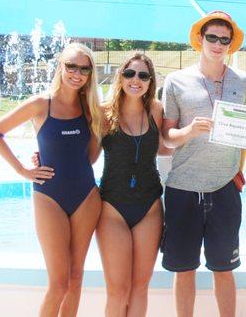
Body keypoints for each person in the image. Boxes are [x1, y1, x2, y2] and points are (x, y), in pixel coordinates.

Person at [0, 43, 102, 316]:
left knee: (75, 279)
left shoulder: (90, 109)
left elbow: (90, 158)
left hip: (86, 195)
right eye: (71, 66)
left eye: (84, 68)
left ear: (90, 73)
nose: (77, 73)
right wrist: (22, 170)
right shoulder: (40, 104)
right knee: (58, 284)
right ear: (60, 66)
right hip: (49, 196)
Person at [160, 10, 246, 317]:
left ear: (231, 44)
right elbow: (167, 138)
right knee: (184, 270)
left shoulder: (244, 82)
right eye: (212, 37)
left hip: (224, 189)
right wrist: (189, 131)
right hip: (183, 188)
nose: (217, 44)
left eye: (224, 39)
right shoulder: (176, 81)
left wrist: (238, 170)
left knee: (224, 270)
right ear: (200, 39)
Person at [94, 53, 165, 316]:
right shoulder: (104, 112)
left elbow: (163, 147)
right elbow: (88, 154)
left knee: (139, 288)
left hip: (149, 207)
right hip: (113, 207)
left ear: (150, 82)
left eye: (143, 75)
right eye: (130, 74)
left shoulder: (156, 109)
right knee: (118, 291)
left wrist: (193, 136)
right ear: (120, 77)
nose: (136, 80)